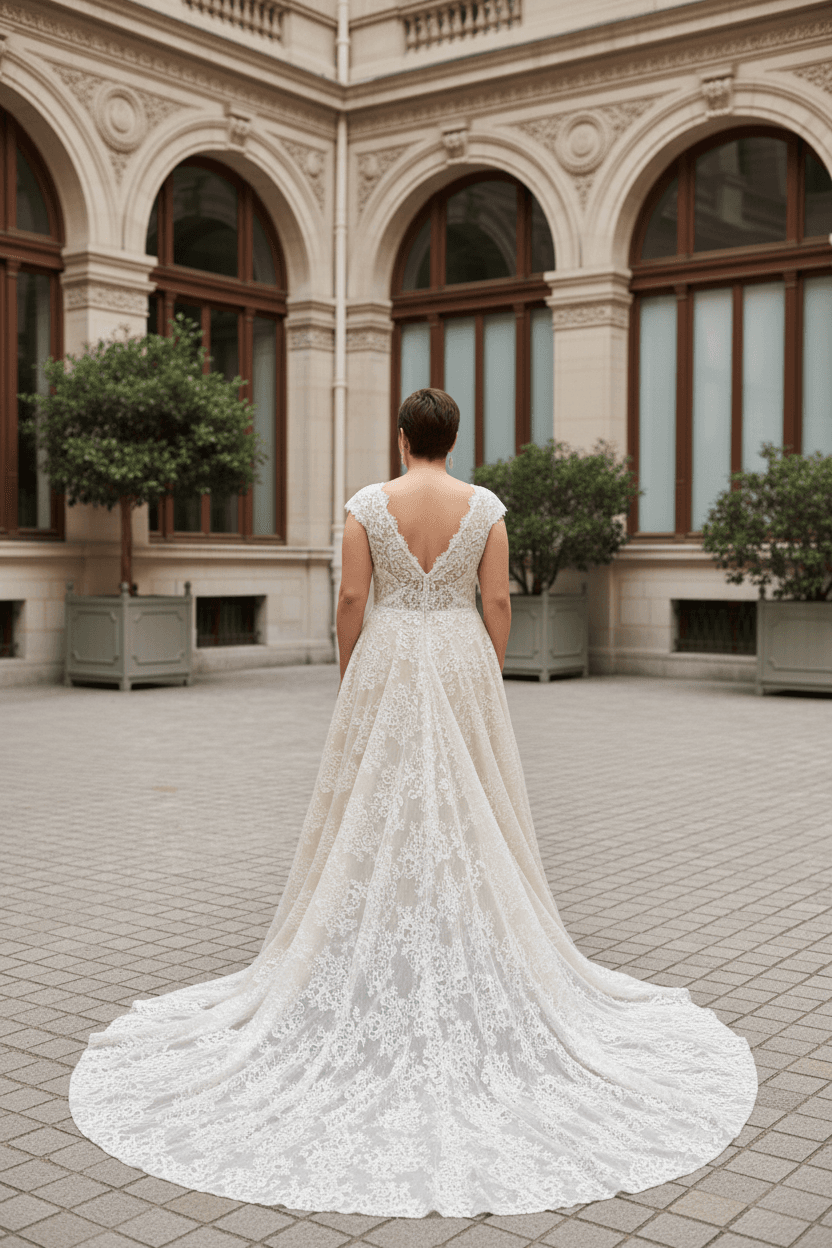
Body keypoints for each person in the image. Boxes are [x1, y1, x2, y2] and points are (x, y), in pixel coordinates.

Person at [69, 388, 757, 1219]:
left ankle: (378, 923)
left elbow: (352, 600)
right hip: (459, 654)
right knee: (472, 805)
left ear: (401, 439)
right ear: (452, 439)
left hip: (390, 655)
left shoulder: (369, 503)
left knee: (373, 798)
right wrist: (484, 668)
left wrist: (347, 667)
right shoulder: (486, 506)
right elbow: (497, 602)